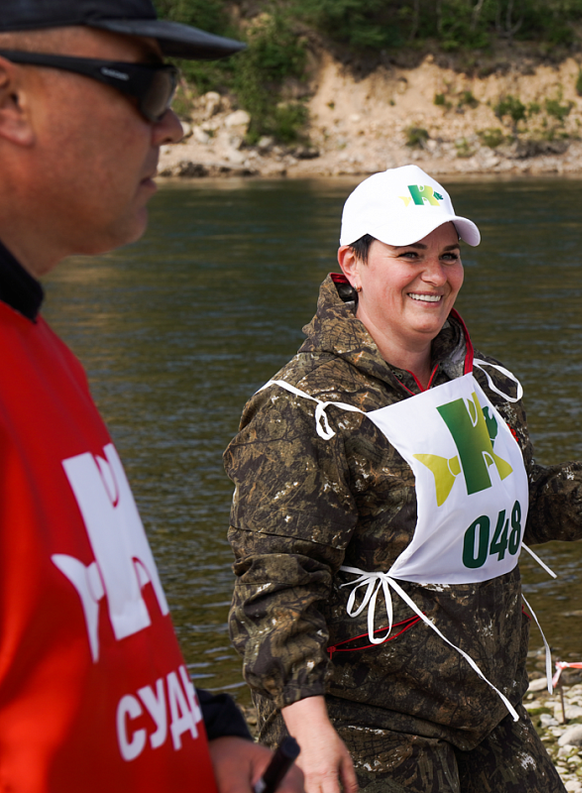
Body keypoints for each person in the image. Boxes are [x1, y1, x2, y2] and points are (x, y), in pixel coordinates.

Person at [224, 164, 582, 793]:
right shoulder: (300, 409)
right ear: (353, 263)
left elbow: (519, 502)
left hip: (487, 709)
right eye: (409, 254)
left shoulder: (479, 384)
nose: (435, 275)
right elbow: (275, 590)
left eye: (449, 255)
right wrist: (311, 737)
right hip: (367, 724)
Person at [0, 2, 303, 791]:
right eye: (145, 87)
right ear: (7, 98)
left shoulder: (41, 351)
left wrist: (205, 741)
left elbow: (78, 650)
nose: (171, 128)